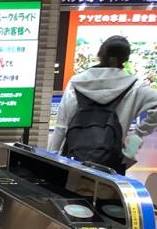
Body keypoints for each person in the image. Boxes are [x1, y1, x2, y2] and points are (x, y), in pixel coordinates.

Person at [48, 35, 157, 172]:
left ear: (100, 54)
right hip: (112, 163)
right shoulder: (135, 87)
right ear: (125, 59)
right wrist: (135, 139)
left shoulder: (76, 83)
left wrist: (51, 158)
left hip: (72, 161)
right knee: (107, 186)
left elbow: (61, 126)